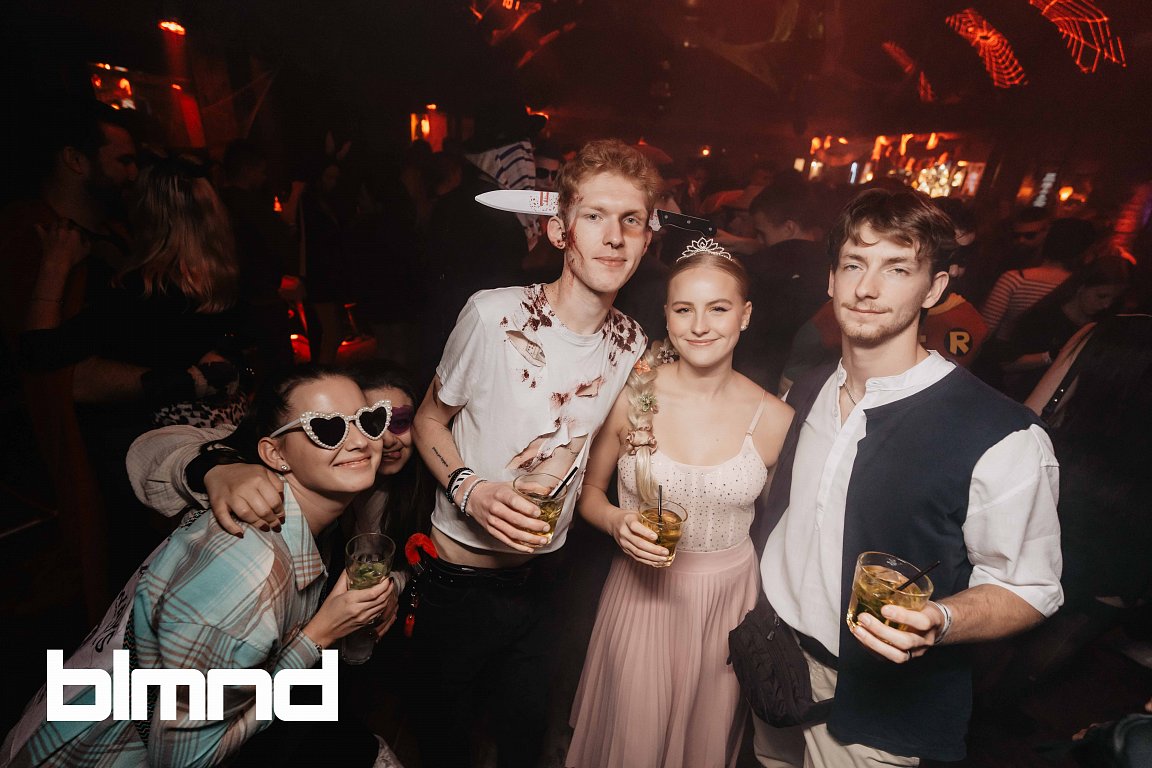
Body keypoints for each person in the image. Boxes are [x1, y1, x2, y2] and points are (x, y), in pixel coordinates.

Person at [749, 187, 1063, 766]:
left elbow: (1030, 588)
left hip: (875, 708)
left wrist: (940, 619)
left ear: (934, 289)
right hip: (775, 663)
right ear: (831, 279)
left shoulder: (1000, 434)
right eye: (854, 265)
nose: (867, 288)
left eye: (897, 268)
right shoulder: (811, 387)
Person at [0, 365, 399, 768]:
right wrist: (317, 636)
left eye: (369, 420)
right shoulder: (249, 577)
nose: (359, 441)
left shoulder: (297, 523)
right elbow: (183, 761)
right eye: (327, 428)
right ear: (275, 454)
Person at [409, 138, 660, 768]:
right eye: (594, 216)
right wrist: (470, 489)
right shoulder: (492, 315)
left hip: (548, 582)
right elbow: (428, 420)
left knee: (525, 744)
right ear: (559, 231)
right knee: (444, 749)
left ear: (646, 239)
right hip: (457, 580)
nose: (614, 237)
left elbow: (601, 452)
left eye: (631, 220)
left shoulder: (631, 341)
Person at [566, 240, 792, 767]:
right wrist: (616, 521)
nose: (700, 325)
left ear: (745, 315)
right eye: (684, 309)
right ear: (667, 316)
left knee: (700, 740)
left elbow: (784, 527)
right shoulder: (633, 396)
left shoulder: (776, 418)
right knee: (635, 736)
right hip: (643, 594)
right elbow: (589, 493)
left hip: (728, 602)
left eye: (719, 308)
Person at [998, 252, 1131, 400]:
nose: (1106, 305)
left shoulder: (1102, 326)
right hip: (1027, 398)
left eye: (1113, 299)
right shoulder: (1044, 316)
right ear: (1082, 286)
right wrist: (1054, 355)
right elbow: (1008, 364)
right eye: (1101, 296)